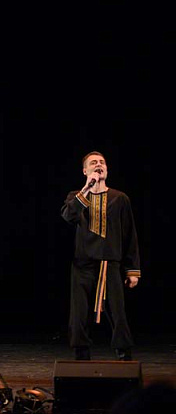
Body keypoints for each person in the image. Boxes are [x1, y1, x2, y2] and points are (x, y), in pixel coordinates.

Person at [61, 151, 140, 361]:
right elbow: (69, 216)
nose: (99, 165)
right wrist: (87, 188)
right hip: (83, 266)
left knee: (117, 313)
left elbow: (129, 235)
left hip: (109, 265)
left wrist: (132, 270)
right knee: (79, 315)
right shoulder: (76, 196)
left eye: (102, 162)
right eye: (93, 163)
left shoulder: (119, 199)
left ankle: (124, 356)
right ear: (85, 170)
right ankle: (81, 357)